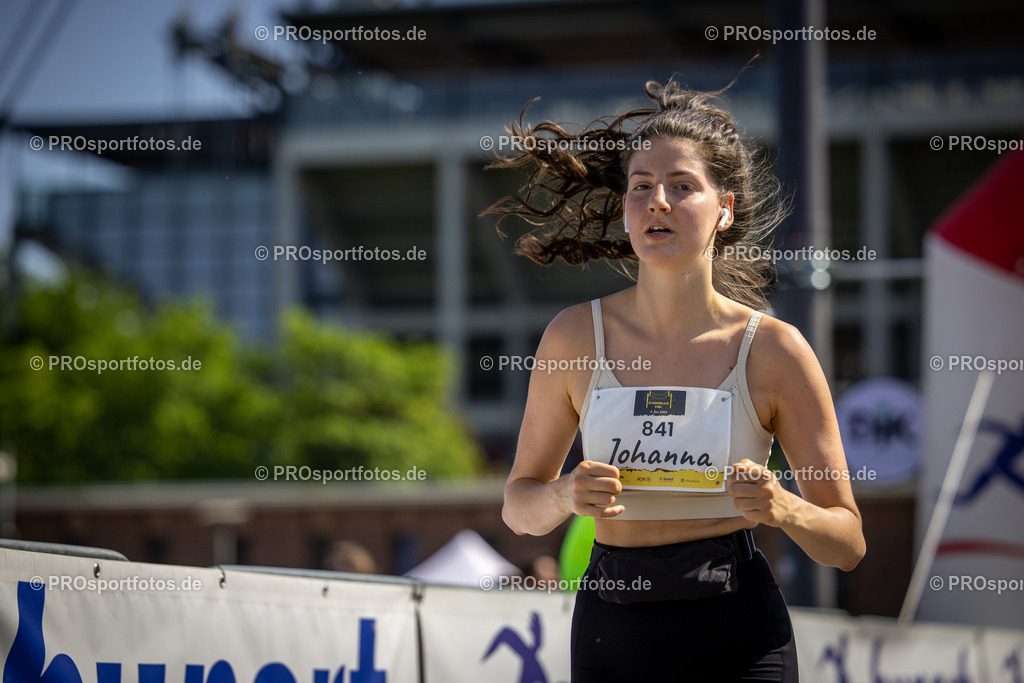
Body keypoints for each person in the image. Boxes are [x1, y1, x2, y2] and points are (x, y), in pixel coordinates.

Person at [489, 78, 865, 682]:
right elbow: (518, 508)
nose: (657, 201)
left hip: (737, 631)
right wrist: (563, 495)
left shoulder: (774, 350)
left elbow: (847, 544)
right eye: (641, 186)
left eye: (683, 185)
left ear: (725, 209)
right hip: (613, 629)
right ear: (625, 208)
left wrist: (784, 507)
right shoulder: (573, 337)